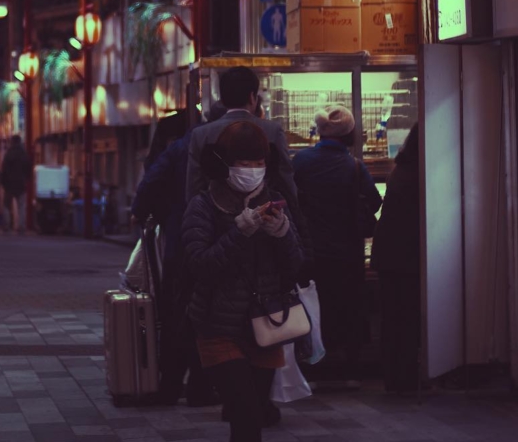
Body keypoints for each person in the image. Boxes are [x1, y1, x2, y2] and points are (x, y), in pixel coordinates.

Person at [182, 121, 304, 442]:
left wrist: (282, 233)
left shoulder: (276, 200)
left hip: (265, 325)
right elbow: (199, 264)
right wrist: (240, 230)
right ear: (225, 165)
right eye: (242, 162)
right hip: (217, 325)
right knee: (248, 413)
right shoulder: (203, 205)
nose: (250, 170)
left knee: (250, 416)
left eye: (257, 162)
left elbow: (297, 266)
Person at [131, 104, 226, 407]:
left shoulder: (181, 146)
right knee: (210, 316)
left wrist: (152, 215)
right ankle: (202, 386)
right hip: (221, 247)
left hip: (180, 245)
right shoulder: (231, 144)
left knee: (176, 316)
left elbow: (147, 187)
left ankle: (171, 385)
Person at [292, 104, 382, 381]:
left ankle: (315, 365)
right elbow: (375, 200)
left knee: (315, 308)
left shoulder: (301, 161)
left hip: (312, 252)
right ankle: (351, 366)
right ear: (349, 134)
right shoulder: (353, 166)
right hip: (348, 254)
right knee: (351, 308)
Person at [186, 67, 306, 255]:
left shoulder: (201, 134)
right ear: (253, 97)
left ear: (222, 99)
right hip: (266, 223)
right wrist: (291, 215)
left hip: (216, 227)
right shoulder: (272, 130)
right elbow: (286, 180)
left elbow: (194, 184)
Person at [371, 123, 421, 393]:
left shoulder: (400, 169)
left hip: (389, 255)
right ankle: (407, 378)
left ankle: (393, 378)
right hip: (408, 257)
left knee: (392, 319)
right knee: (408, 318)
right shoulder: (419, 173)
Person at [1, 135, 32, 233]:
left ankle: (6, 225)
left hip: (9, 184)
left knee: (6, 205)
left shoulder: (8, 154)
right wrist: (27, 179)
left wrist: (4, 182)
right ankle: (21, 226)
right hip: (21, 183)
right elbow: (28, 168)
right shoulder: (24, 154)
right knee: (21, 206)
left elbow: (4, 169)